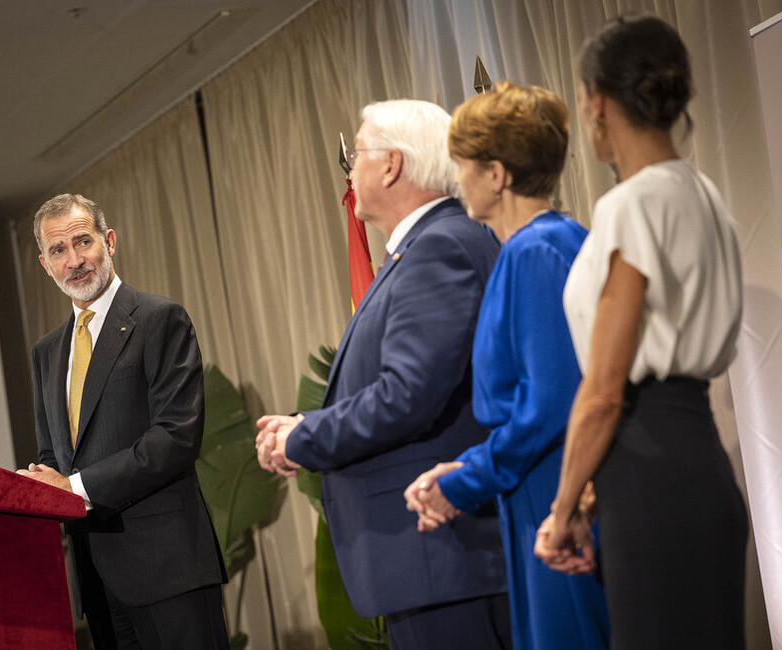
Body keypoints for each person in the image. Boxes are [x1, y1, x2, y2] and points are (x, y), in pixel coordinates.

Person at [256, 100, 510, 650]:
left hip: (443, 556)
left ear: (392, 165)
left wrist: (305, 437)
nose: (351, 171)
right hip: (427, 562)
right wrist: (305, 424)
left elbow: (410, 394)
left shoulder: (439, 247)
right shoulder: (419, 251)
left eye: (360, 155)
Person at [534, 15, 748, 649]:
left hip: (654, 491)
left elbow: (603, 391)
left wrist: (564, 507)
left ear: (599, 107)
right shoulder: (706, 196)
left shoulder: (632, 203)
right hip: (696, 472)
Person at [403, 82, 610, 650]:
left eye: (462, 165)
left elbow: (548, 405)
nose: (456, 179)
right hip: (543, 481)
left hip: (551, 489)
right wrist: (465, 466)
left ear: (496, 174)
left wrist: (467, 480)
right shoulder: (556, 242)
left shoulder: (534, 252)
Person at [17, 194, 228, 650]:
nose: (74, 260)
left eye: (83, 242)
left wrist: (72, 489)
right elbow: (55, 455)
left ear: (109, 241)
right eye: (59, 250)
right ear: (44, 263)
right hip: (96, 580)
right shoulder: (47, 353)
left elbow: (176, 436)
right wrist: (36, 484)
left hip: (169, 568)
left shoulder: (159, 319)